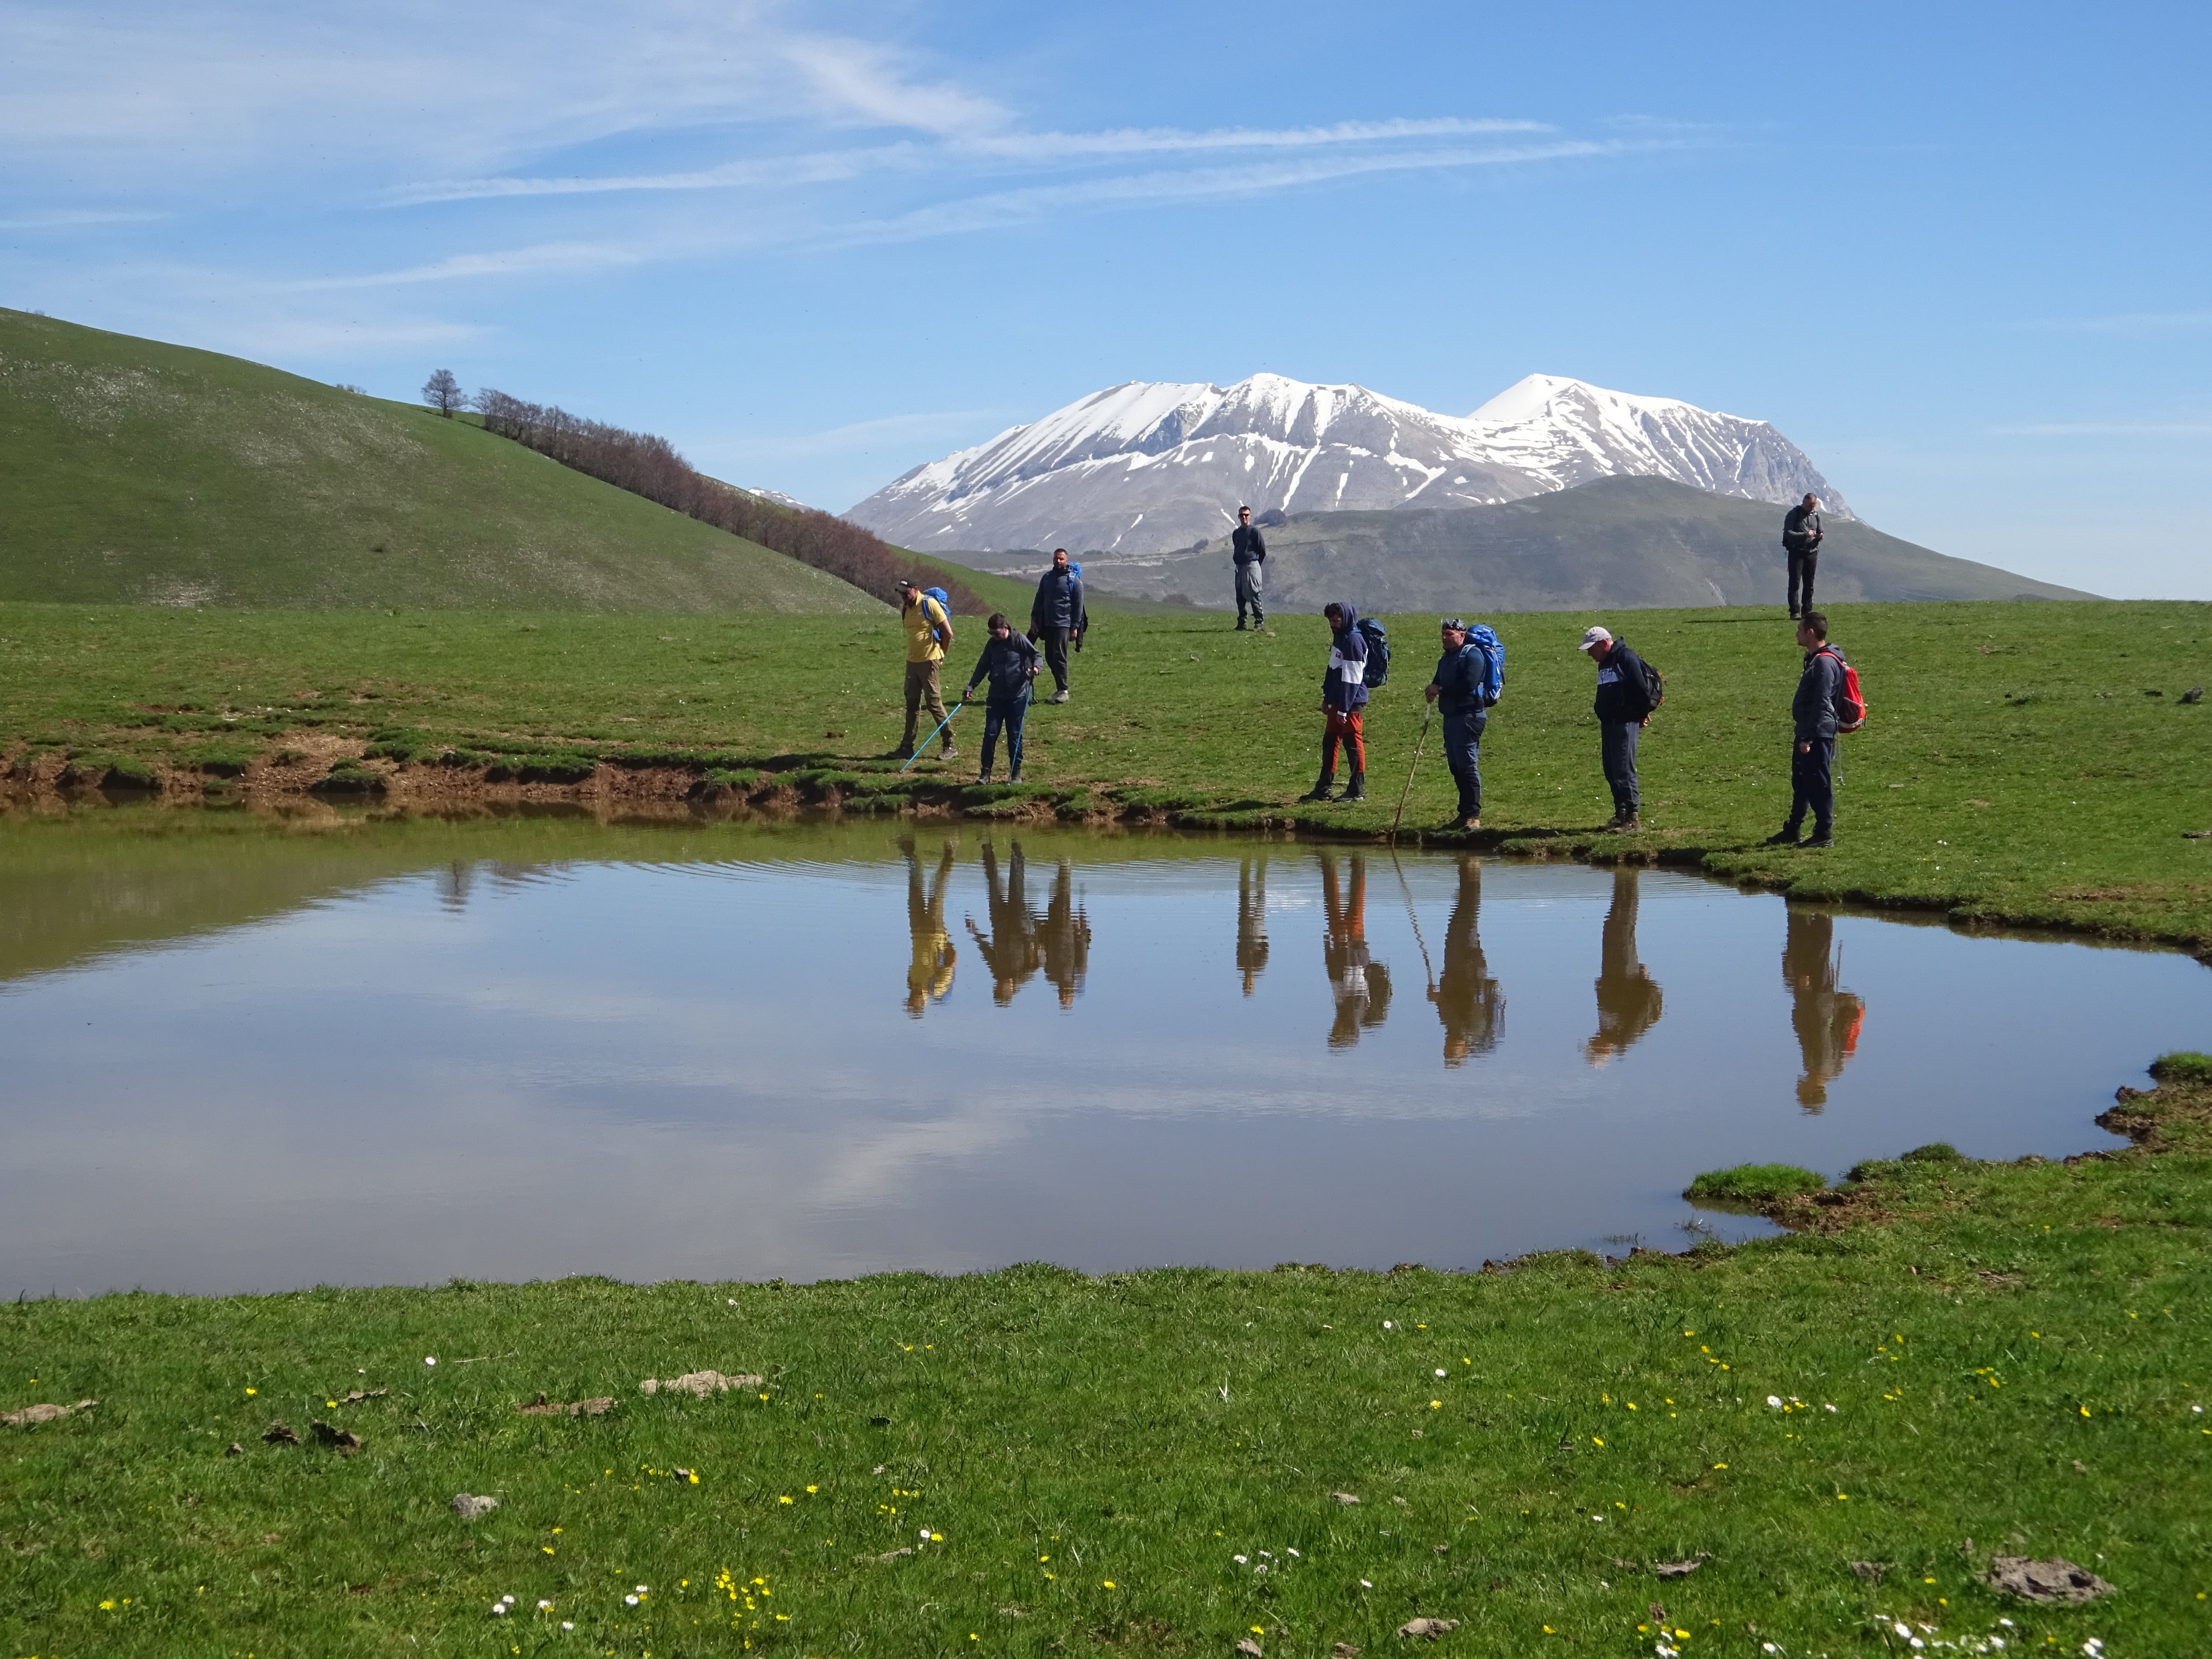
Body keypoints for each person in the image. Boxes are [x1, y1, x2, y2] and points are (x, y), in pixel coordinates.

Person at [1767, 611, 1846, 848]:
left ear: (1810, 633)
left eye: (1800, 629)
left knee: (1818, 782)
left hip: (1817, 732)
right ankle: (1794, 829)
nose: (1796, 633)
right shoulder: (1815, 659)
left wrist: (1809, 736)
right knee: (1801, 781)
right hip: (1808, 730)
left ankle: (1824, 833)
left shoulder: (1824, 663)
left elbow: (1822, 701)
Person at [1782, 906, 1864, 1110]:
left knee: (1815, 953)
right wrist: (1806, 993)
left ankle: (1818, 913)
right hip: (1817, 1000)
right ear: (1811, 1091)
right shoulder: (1819, 1065)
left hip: (1821, 1001)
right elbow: (1819, 1028)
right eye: (1801, 1093)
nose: (1797, 1089)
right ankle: (1818, 912)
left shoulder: (1833, 1070)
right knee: (1814, 954)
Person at [1579, 625, 1659, 831]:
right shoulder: (1605, 663)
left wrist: (1640, 714)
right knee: (1612, 769)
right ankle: (1621, 814)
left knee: (1624, 769)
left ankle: (1632, 818)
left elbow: (1641, 689)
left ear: (1605, 643)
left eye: (1592, 648)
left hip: (1625, 723)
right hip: (1610, 723)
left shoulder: (1626, 658)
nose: (1589, 654)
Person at [1429, 854, 1503, 1065]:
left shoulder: (1454, 1027)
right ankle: (1471, 871)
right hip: (1468, 965)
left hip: (1456, 967)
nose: (1449, 1046)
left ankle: (1468, 873)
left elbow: (1449, 1002)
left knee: (1461, 918)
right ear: (1464, 1052)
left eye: (1447, 1051)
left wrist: (1438, 997)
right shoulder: (1472, 1028)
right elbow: (1471, 996)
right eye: (1452, 1052)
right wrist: (1441, 998)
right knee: (1466, 917)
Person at [1586, 868, 1664, 1064]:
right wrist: (1642, 981)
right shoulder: (1625, 1035)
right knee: (1622, 925)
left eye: (1591, 1045)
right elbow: (1639, 1010)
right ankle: (1629, 878)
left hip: (1613, 971)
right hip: (1626, 973)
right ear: (1604, 1049)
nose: (1591, 1041)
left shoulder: (1608, 1030)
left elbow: (1607, 1002)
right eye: (1593, 1047)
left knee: (1613, 926)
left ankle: (1624, 878)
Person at [1423, 617, 1491, 829]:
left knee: (1467, 765)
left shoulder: (1473, 655)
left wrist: (1441, 690)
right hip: (1451, 718)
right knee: (1455, 766)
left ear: (1462, 635)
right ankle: (1463, 814)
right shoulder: (1446, 659)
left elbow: (1469, 684)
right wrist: (1432, 688)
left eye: (1449, 634)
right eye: (1443, 634)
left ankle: (1473, 816)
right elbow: (1438, 680)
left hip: (1469, 717)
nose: (1444, 638)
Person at [1319, 851, 1391, 1047]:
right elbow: (1353, 977)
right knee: (1353, 904)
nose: (1334, 1029)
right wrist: (1344, 946)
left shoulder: (1345, 1011)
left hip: (1345, 949)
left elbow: (1336, 979)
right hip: (1351, 949)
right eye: (1336, 1033)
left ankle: (1333, 863)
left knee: (1335, 904)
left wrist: (1331, 950)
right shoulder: (1354, 1010)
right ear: (1345, 1031)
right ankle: (1356, 862)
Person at [1300, 601, 1369, 802]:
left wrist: (1344, 710)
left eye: (1337, 619)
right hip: (1338, 701)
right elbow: (1333, 670)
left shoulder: (1354, 641)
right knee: (1330, 742)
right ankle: (1323, 788)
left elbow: (1353, 678)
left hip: (1351, 703)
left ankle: (1357, 790)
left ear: (1346, 617)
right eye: (1331, 619)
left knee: (1353, 743)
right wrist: (1327, 698)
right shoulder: (1341, 638)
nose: (1333, 623)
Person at [963, 612, 1041, 782]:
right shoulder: (992, 645)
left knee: (1015, 735)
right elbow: (982, 666)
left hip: (1018, 697)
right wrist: (971, 686)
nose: (995, 637)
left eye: (997, 633)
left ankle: (1015, 774)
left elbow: (1037, 655)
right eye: (991, 633)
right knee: (990, 734)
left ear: (1005, 628)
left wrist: (1036, 668)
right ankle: (985, 774)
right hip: (996, 697)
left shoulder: (1019, 640)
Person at [965, 840, 1042, 1005]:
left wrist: (975, 932)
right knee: (1017, 887)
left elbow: (987, 951)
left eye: (998, 988)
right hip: (1020, 924)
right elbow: (1040, 960)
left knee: (993, 885)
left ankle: (987, 851)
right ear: (1011, 991)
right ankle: (1017, 853)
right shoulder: (1024, 976)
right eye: (1003, 989)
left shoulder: (997, 972)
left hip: (999, 923)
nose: (1001, 985)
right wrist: (1038, 942)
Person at [892, 577, 958, 762]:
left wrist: (941, 656)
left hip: (930, 661)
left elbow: (948, 633)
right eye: (901, 593)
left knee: (934, 703)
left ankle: (950, 744)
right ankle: (907, 746)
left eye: (907, 593)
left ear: (916, 590)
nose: (904, 596)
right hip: (912, 662)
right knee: (912, 704)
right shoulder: (906, 610)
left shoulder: (930, 604)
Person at [903, 838, 958, 1015]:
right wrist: (944, 939)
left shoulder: (911, 983)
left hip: (917, 931)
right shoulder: (937, 988)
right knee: (938, 889)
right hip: (935, 931)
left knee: (914, 888)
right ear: (922, 1005)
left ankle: (910, 853)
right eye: (914, 1003)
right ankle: (949, 856)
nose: (912, 999)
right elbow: (952, 961)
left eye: (910, 1001)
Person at [1028, 548, 1087, 703]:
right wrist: (1035, 620)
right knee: (1050, 657)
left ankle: (1064, 690)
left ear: (1067, 560)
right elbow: (1039, 599)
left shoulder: (1074, 581)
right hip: (1048, 624)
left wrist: (1075, 627)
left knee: (1059, 656)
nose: (1058, 561)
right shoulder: (1047, 578)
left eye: (1061, 559)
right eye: (1056, 559)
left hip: (1064, 624)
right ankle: (1059, 689)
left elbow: (1079, 606)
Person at [1039, 856, 1090, 1007]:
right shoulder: (1078, 973)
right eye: (1067, 995)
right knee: (1063, 902)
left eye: (1063, 995)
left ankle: (1061, 873)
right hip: (1067, 932)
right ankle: (1065, 869)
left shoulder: (1050, 976)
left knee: (1055, 903)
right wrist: (1080, 931)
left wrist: (1041, 936)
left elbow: (1044, 954)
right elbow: (1082, 951)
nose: (1064, 992)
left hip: (1051, 932)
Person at [1782, 492, 1824, 619]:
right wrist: (1805, 535)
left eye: (1814, 506)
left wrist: (1819, 536)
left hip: (1812, 552)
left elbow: (1820, 531)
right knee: (1795, 582)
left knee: (1809, 583)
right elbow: (1788, 533)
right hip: (1797, 552)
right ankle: (1795, 611)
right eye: (1810, 505)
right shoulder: (1793, 515)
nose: (1812, 508)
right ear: (1804, 502)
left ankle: (1807, 610)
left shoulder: (1816, 516)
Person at [1236, 853, 1271, 996]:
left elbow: (1239, 947)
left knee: (1245, 898)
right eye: (1249, 984)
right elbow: (1266, 948)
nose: (1248, 981)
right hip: (1257, 932)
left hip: (1245, 932)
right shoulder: (1260, 966)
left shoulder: (1241, 964)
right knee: (1260, 896)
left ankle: (1249, 862)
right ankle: (1257, 862)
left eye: (1247, 984)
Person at [1231, 505, 1267, 630]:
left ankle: (1259, 622)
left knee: (1254, 593)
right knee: (1240, 596)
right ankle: (1242, 623)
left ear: (1250, 516)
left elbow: (1262, 550)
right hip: (1240, 567)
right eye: (1242, 515)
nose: (1244, 517)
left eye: (1246, 515)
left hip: (1252, 564)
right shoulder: (1236, 533)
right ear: (1239, 517)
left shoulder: (1254, 532)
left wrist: (1256, 564)